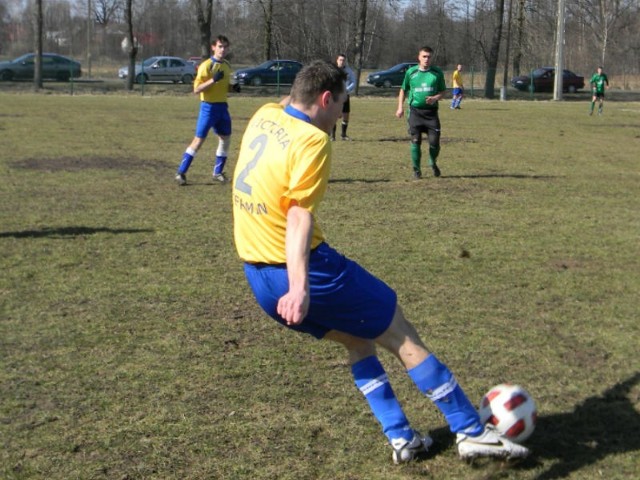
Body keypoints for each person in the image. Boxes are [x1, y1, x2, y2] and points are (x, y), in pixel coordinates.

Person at [232, 60, 529, 465]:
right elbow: (299, 216)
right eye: (340, 104)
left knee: (357, 339)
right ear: (324, 99)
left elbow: (294, 98)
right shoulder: (314, 142)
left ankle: (402, 437)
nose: (340, 114)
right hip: (307, 271)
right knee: (399, 332)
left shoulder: (264, 115)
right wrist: (301, 286)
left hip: (258, 276)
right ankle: (471, 430)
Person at [175, 35, 238, 185]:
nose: (223, 50)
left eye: (225, 47)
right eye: (220, 46)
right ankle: (181, 172)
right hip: (208, 108)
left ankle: (217, 172)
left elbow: (227, 85)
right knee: (199, 140)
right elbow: (196, 89)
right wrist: (213, 80)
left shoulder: (227, 65)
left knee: (225, 138)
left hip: (223, 107)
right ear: (213, 47)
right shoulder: (206, 66)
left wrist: (234, 87)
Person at [396, 46, 447, 179]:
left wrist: (435, 98)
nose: (426, 59)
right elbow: (403, 90)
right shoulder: (411, 73)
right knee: (415, 141)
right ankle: (416, 170)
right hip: (415, 113)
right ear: (419, 57)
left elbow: (443, 92)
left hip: (431, 114)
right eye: (424, 56)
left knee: (434, 143)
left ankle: (432, 161)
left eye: (429, 57)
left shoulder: (437, 73)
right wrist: (400, 107)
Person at [331, 53, 356, 141]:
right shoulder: (333, 70)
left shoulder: (348, 71)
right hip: (335, 96)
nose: (342, 62)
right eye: (340, 60)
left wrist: (347, 90)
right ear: (337, 60)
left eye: (343, 60)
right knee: (334, 115)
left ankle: (343, 135)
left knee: (346, 115)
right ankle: (332, 136)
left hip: (345, 96)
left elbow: (353, 81)